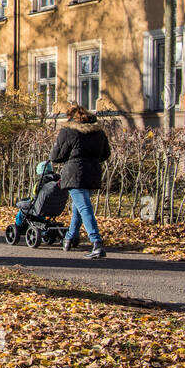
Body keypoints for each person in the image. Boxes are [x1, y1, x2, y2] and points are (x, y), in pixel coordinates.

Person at [50, 104, 111, 259]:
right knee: (79, 207)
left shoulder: (68, 131)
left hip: (74, 173)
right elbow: (105, 154)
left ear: (71, 116)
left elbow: (56, 156)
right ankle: (69, 238)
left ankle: (96, 242)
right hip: (93, 173)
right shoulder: (98, 132)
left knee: (84, 207)